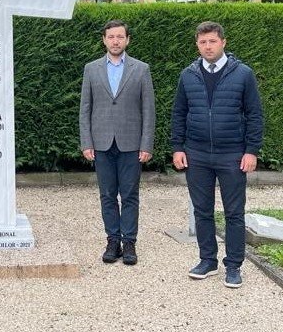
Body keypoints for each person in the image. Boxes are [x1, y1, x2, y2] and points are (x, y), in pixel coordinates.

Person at [171, 21, 263, 289]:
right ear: (197, 44)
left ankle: (233, 265)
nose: (207, 46)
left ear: (223, 42)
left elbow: (254, 115)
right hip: (197, 154)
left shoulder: (243, 74)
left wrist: (251, 151)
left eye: (212, 41)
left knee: (234, 212)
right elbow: (179, 113)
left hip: (232, 154)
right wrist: (178, 147)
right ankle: (207, 260)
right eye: (202, 42)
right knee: (202, 211)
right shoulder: (188, 75)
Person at [78, 19, 155, 265]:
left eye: (120, 37)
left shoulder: (141, 69)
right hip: (101, 143)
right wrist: (86, 142)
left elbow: (148, 110)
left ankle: (129, 242)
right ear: (104, 39)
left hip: (131, 143)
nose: (115, 41)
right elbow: (85, 109)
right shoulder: (91, 69)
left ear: (127, 40)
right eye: (111, 37)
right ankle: (113, 240)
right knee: (107, 195)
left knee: (130, 195)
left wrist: (146, 144)